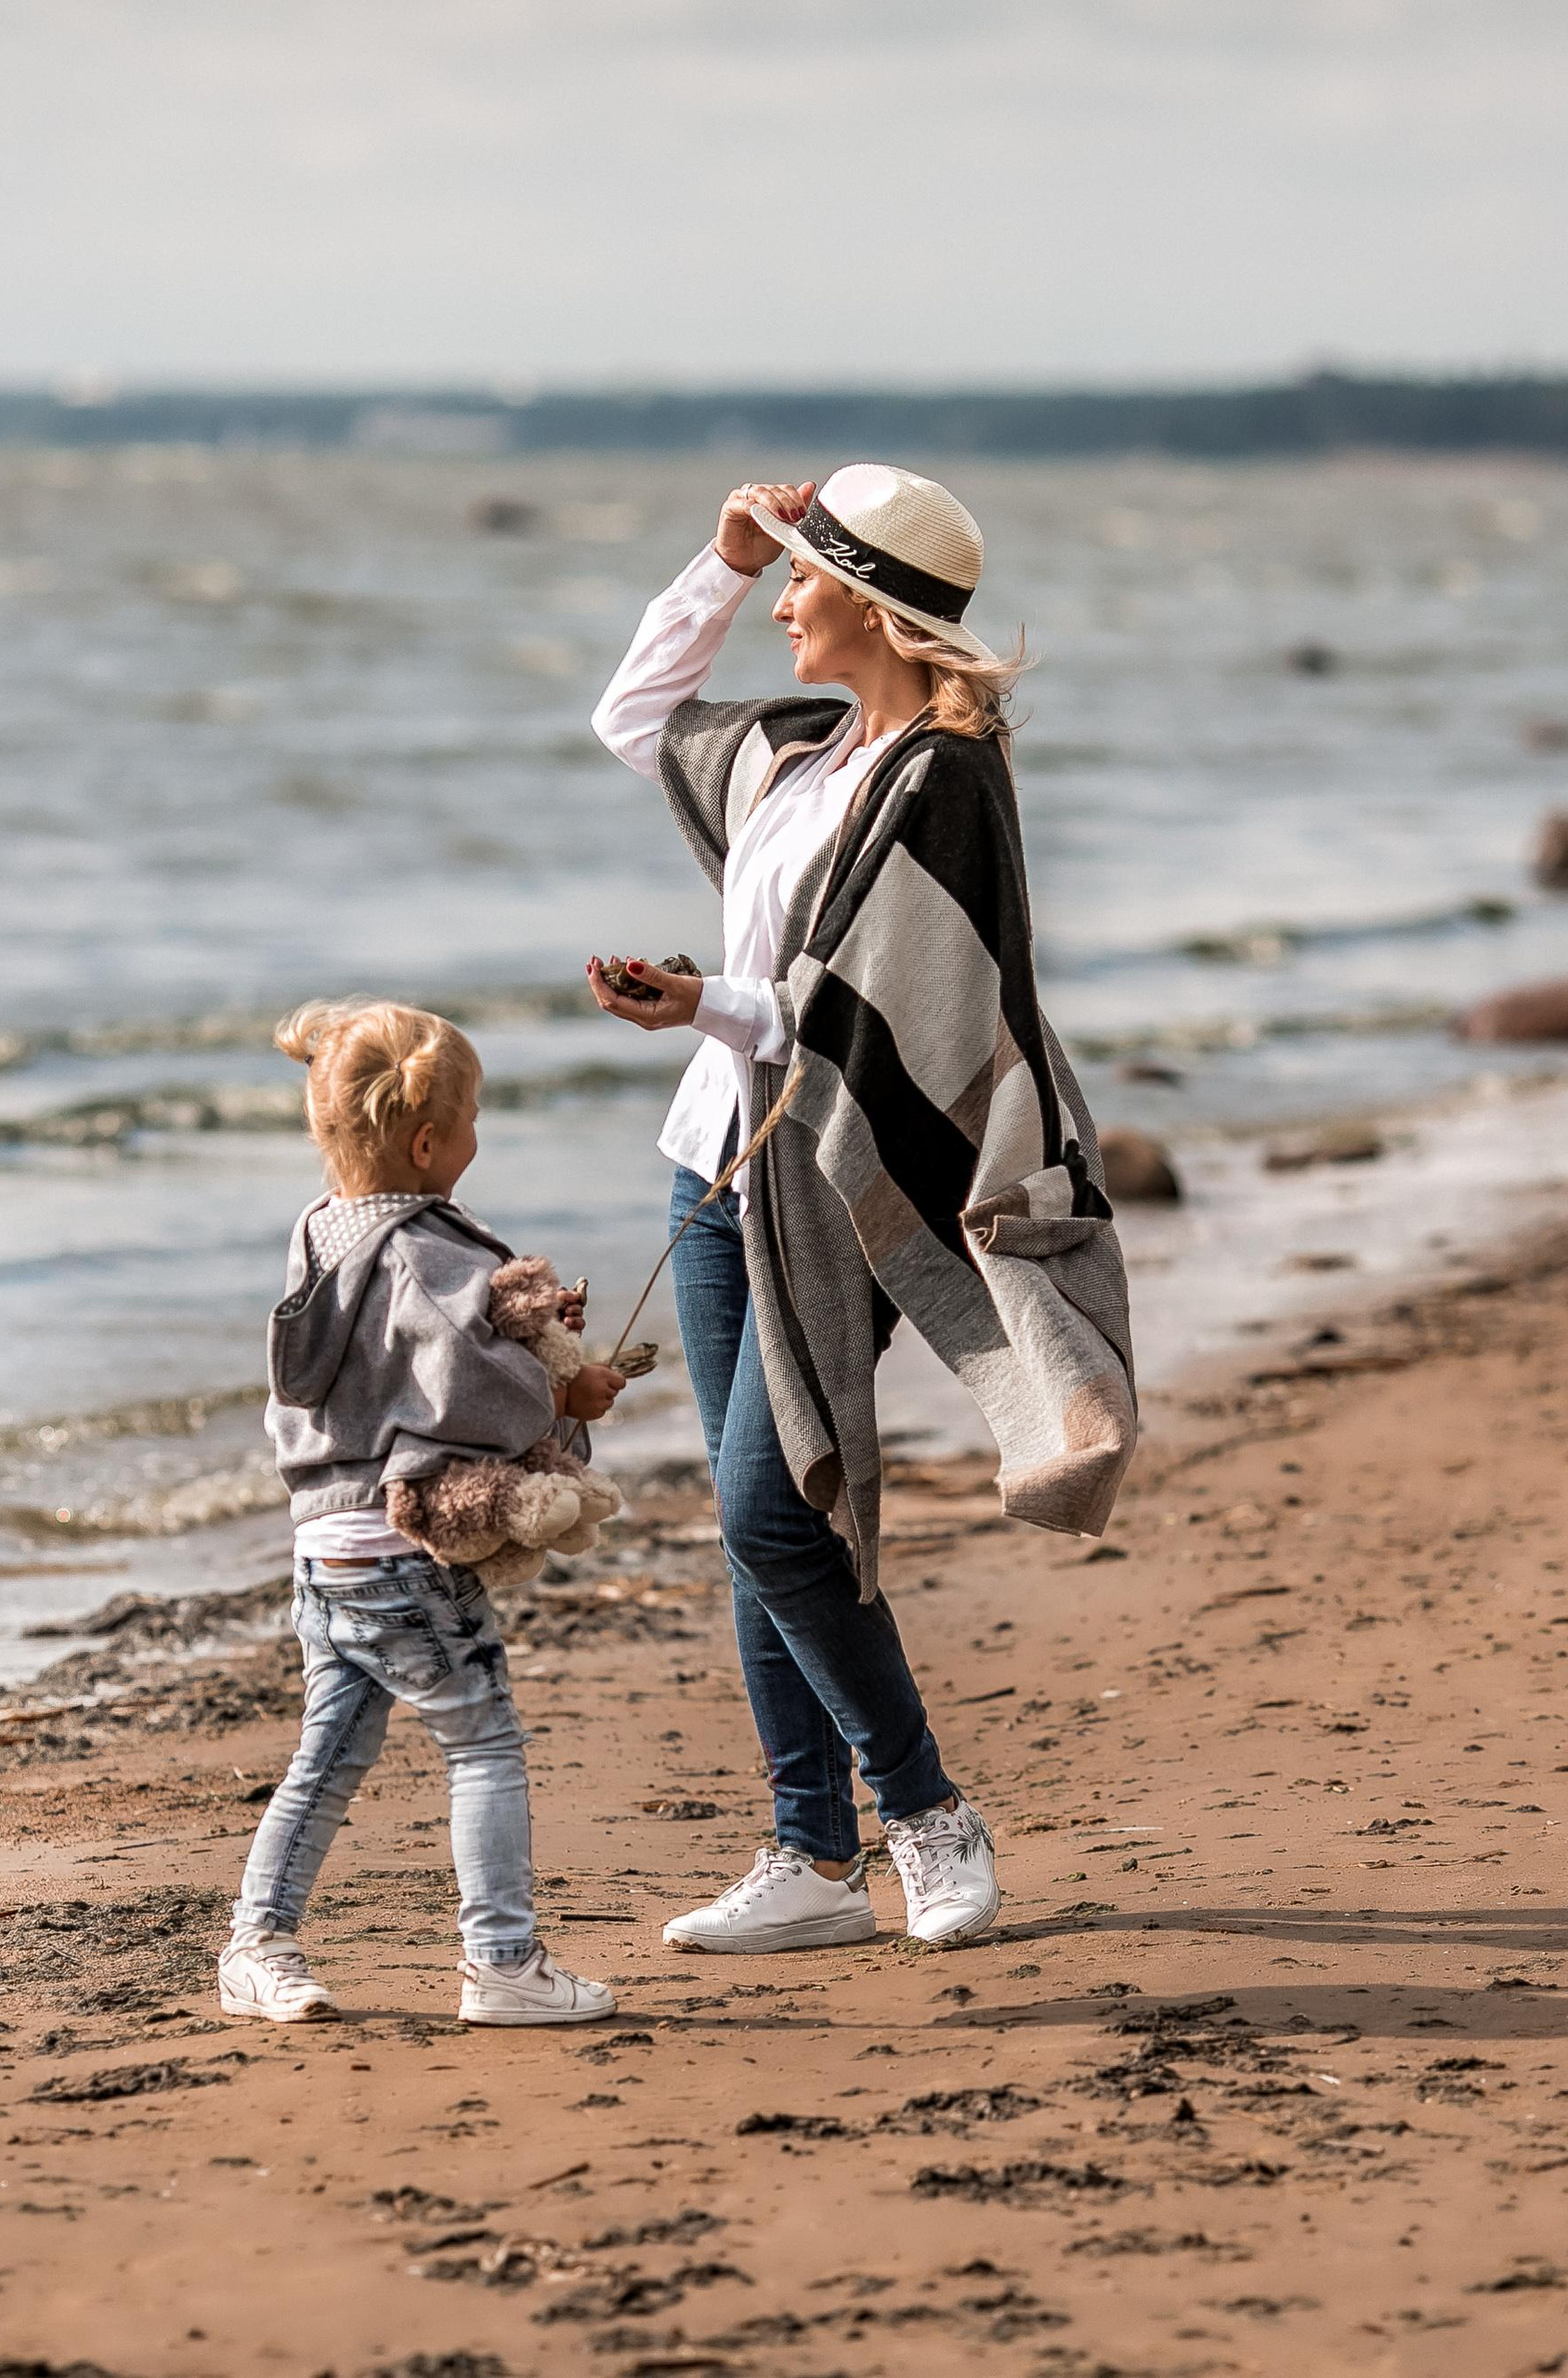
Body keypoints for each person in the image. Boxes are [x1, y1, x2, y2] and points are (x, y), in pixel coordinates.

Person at [587, 466, 1137, 1955]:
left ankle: (927, 1816)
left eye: (800, 580)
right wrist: (711, 557)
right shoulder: (804, 755)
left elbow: (884, 1013)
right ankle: (810, 1856)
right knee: (755, 1521)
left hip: (842, 1170)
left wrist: (703, 998)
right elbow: (632, 724)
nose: (781, 603)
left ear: (873, 604)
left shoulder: (941, 785)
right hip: (709, 1167)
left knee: (777, 1511)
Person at [218, 998, 626, 2026]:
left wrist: (522, 1340)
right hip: (405, 1545)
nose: (479, 1136)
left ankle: (255, 1948)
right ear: (429, 1140)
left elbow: (383, 1371)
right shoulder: (425, 1250)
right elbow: (461, 1386)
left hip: (323, 1547)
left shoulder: (322, 1234)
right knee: (483, 1743)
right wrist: (560, 1390)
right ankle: (502, 1963)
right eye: (475, 1118)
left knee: (326, 1755)